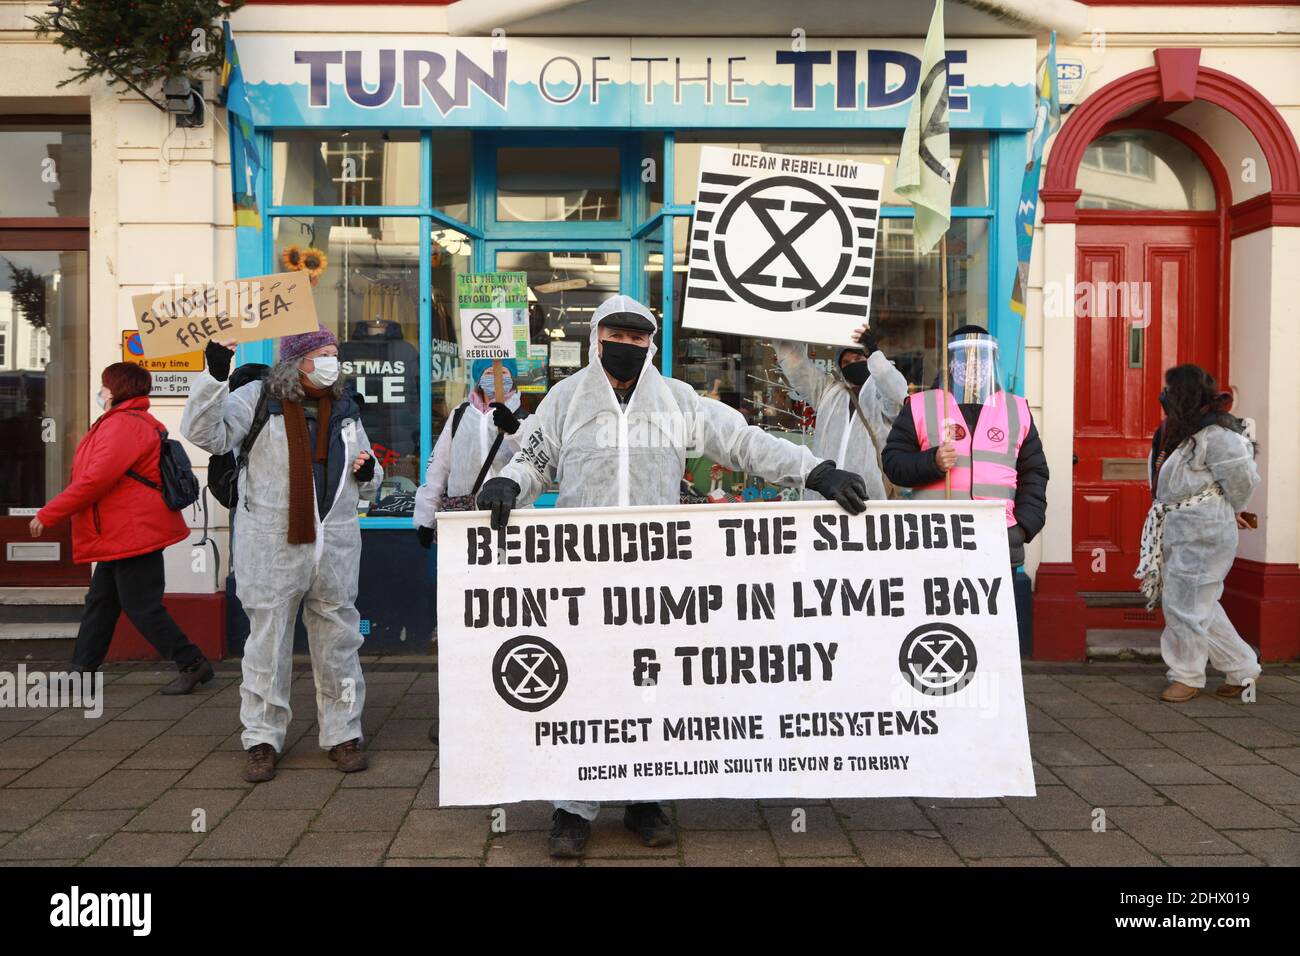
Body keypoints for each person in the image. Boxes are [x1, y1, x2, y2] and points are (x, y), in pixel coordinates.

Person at [476, 294, 869, 858]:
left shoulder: (677, 401)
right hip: (584, 575)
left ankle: (645, 799)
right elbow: (535, 459)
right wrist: (510, 483)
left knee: (648, 689)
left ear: (650, 344)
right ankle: (571, 808)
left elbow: (743, 441)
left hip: (657, 578)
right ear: (596, 336)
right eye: (617, 335)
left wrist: (816, 470)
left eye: (638, 339)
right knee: (583, 689)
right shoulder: (566, 400)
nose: (627, 347)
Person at [181, 326, 382, 782]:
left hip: (333, 549)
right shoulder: (257, 398)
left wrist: (370, 469)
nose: (332, 362)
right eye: (322, 354)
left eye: (335, 353)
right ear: (297, 361)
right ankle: (261, 739)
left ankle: (343, 733)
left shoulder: (345, 409)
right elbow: (205, 434)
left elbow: (368, 472)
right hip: (272, 545)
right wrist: (214, 373)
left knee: (340, 646)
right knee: (267, 647)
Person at [29, 363, 212, 694]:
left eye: (103, 386)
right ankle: (81, 672)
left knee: (142, 606)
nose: (100, 392)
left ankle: (192, 662)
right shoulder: (124, 421)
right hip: (120, 531)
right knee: (101, 602)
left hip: (132, 532)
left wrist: (49, 513)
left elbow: (94, 480)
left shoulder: (124, 425)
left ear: (114, 389)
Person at [1135, 364, 1261, 703]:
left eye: (1170, 390)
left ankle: (1187, 675)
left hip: (1205, 533)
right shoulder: (1173, 431)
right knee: (1198, 603)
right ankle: (1242, 668)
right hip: (1177, 529)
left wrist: (1229, 510)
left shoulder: (1219, 435)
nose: (1164, 396)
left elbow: (1242, 481)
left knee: (1184, 605)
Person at [881, 325, 1049, 568]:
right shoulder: (920, 405)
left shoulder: (1016, 409)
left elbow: (1035, 472)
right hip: (935, 540)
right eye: (963, 357)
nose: (972, 364)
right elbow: (893, 463)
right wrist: (932, 462)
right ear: (950, 363)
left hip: (999, 541)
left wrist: (1022, 527)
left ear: (991, 362)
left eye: (980, 357)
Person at [773, 325, 908, 501]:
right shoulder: (827, 393)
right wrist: (781, 325)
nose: (852, 365)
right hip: (823, 500)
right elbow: (796, 366)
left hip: (868, 503)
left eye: (858, 358)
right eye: (846, 363)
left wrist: (874, 352)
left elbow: (898, 396)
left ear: (868, 360)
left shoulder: (882, 396)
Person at [413, 358, 529, 549]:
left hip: (511, 516)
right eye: (489, 374)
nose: (497, 378)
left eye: (503, 373)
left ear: (512, 378)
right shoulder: (460, 414)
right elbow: (439, 467)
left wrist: (515, 429)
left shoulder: (524, 418)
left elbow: (534, 462)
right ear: (478, 378)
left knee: (506, 576)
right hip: (465, 517)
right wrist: (426, 518)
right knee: (465, 577)